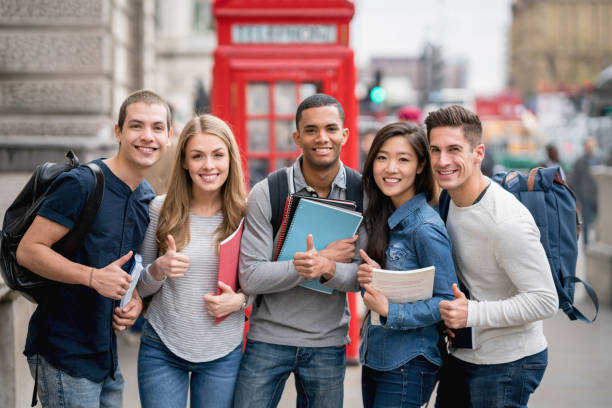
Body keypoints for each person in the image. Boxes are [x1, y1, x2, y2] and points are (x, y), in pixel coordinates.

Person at [16, 89, 173, 407]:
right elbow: (29, 250)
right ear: (118, 132)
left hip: (106, 355)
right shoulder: (82, 184)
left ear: (169, 136)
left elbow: (132, 266)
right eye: (136, 126)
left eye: (157, 128)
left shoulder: (145, 196)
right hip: (65, 354)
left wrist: (135, 304)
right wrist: (91, 277)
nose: (147, 136)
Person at [234, 93, 364, 408]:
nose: (322, 138)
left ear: (344, 135)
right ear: (297, 137)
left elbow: (362, 276)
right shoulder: (269, 192)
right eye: (311, 130)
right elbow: (251, 276)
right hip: (268, 339)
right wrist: (312, 262)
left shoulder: (364, 193)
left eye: (331, 129)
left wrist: (327, 268)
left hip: (328, 343)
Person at [424, 105, 558, 408]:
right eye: (435, 150)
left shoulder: (505, 222)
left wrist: (472, 314)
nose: (443, 161)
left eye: (454, 149)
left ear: (478, 153)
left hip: (508, 362)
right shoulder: (448, 198)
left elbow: (544, 300)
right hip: (464, 355)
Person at [136, 114, 248, 408]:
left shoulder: (246, 215)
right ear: (184, 161)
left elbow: (263, 282)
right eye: (197, 156)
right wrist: (158, 269)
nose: (208, 165)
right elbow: (141, 289)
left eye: (217, 155)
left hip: (223, 351)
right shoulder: (160, 209)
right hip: (162, 345)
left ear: (230, 159)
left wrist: (240, 301)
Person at [357, 122, 457, 408]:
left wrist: (391, 310)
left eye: (403, 159)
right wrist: (373, 277)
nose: (390, 168)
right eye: (382, 157)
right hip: (376, 355)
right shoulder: (385, 214)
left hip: (408, 362)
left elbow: (447, 300)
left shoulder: (424, 227)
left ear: (420, 165)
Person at [569, 136, 602, 244]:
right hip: (585, 197)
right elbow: (574, 182)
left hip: (599, 196)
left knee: (601, 222)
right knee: (586, 223)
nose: (590, 148)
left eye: (592, 146)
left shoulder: (600, 160)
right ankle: (587, 246)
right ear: (584, 147)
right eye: (588, 146)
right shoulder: (579, 162)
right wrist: (577, 199)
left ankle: (599, 243)